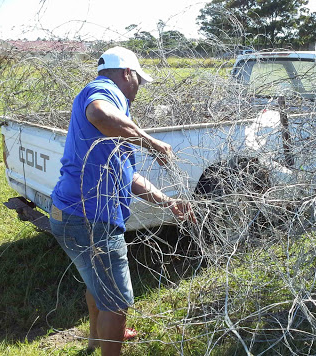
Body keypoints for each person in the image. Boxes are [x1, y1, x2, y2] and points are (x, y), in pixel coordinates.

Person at [49, 46, 194, 356]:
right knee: (117, 300)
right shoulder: (105, 90)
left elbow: (127, 176)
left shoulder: (117, 111)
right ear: (128, 73)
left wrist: (168, 202)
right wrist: (151, 142)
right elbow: (99, 113)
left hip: (67, 212)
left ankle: (95, 340)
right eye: (138, 81)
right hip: (90, 218)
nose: (138, 90)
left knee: (98, 279)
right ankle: (109, 341)